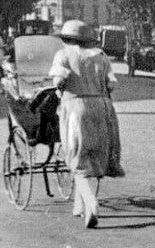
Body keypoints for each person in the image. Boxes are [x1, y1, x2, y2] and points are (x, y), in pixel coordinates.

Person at [49, 20, 124, 229]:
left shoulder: (63, 56)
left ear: (66, 39)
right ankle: (79, 205)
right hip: (102, 108)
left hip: (76, 108)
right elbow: (111, 84)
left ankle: (91, 204)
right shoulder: (101, 57)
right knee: (95, 155)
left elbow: (58, 82)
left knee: (78, 160)